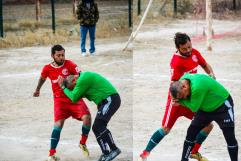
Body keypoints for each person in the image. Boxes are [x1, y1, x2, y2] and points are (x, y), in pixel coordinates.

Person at [139, 32, 215, 161]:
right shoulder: (176, 62)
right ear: (178, 48)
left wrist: (211, 74)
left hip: (190, 100)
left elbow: (204, 64)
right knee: (165, 129)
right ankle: (145, 153)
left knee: (208, 124)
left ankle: (194, 152)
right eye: (184, 49)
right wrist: (176, 100)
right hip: (177, 100)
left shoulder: (195, 53)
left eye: (189, 47)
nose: (188, 50)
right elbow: (174, 85)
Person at [33, 45, 91, 161]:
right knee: (58, 124)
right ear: (52, 56)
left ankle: (82, 143)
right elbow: (42, 78)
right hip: (59, 101)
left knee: (87, 118)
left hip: (73, 97)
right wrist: (37, 89)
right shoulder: (47, 68)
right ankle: (52, 154)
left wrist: (75, 79)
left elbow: (81, 75)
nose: (61, 58)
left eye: (63, 55)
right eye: (58, 55)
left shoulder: (70, 64)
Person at [170, 73, 239, 161]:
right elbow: (176, 94)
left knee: (229, 137)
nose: (185, 98)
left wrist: (180, 102)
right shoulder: (181, 81)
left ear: (184, 87)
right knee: (191, 132)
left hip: (223, 107)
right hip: (204, 108)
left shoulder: (197, 88)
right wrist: (174, 98)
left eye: (184, 96)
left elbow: (194, 107)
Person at [57, 71, 121, 161]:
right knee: (96, 127)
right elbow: (75, 96)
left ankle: (114, 149)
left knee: (99, 125)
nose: (75, 89)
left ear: (74, 80)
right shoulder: (82, 80)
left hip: (110, 99)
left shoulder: (83, 78)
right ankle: (106, 153)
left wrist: (63, 88)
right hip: (105, 102)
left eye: (73, 87)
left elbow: (74, 97)